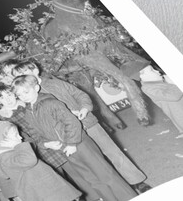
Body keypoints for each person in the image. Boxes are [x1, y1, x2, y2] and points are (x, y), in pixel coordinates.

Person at [13, 61, 150, 193]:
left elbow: (79, 94)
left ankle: (136, 181)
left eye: (25, 72)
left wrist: (84, 108)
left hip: (87, 124)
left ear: (35, 70)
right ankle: (117, 189)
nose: (23, 77)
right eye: (18, 75)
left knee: (112, 152)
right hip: (68, 134)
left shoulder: (55, 84)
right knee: (94, 164)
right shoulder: (30, 97)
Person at [0, 121, 81, 201]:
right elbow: (29, 160)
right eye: (15, 136)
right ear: (1, 142)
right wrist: (20, 145)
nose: (20, 137)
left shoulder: (13, 152)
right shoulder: (5, 158)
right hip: (42, 193)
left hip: (50, 188)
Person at [139, 65, 183, 138]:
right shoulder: (148, 88)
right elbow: (174, 96)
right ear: (142, 76)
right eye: (152, 70)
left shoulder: (159, 81)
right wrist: (174, 84)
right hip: (178, 112)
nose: (157, 71)